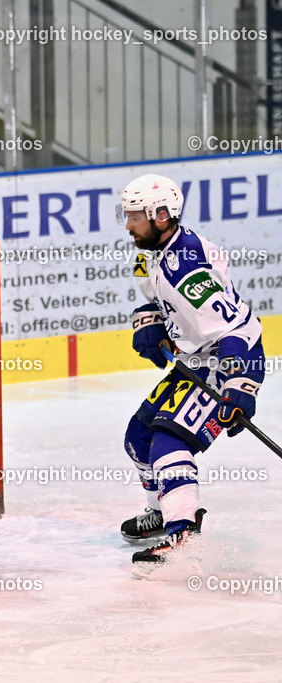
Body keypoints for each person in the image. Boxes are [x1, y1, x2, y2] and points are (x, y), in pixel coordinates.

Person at [118, 173, 264, 571]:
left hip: (227, 361)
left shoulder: (188, 272)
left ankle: (181, 531)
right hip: (197, 359)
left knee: (170, 441)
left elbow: (237, 330)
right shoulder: (151, 251)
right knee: (138, 437)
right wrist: (148, 320)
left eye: (134, 216)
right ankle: (163, 512)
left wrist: (240, 386)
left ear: (161, 215)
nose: (127, 225)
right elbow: (150, 294)